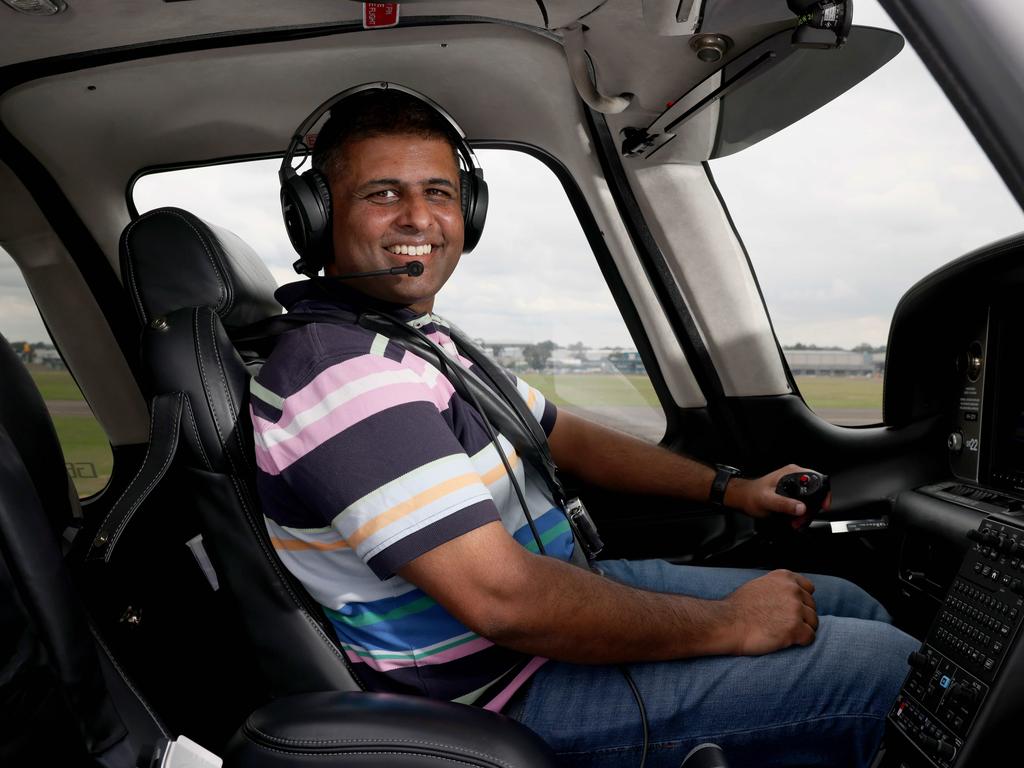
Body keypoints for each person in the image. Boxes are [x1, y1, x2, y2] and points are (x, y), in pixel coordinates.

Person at [252, 86, 917, 767]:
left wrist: (732, 490)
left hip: (545, 617)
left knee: (842, 601)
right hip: (503, 694)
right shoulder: (340, 376)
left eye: (441, 192)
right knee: (886, 668)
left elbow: (565, 435)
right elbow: (504, 599)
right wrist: (733, 624)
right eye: (384, 194)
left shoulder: (420, 341)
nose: (420, 216)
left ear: (469, 212)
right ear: (317, 216)